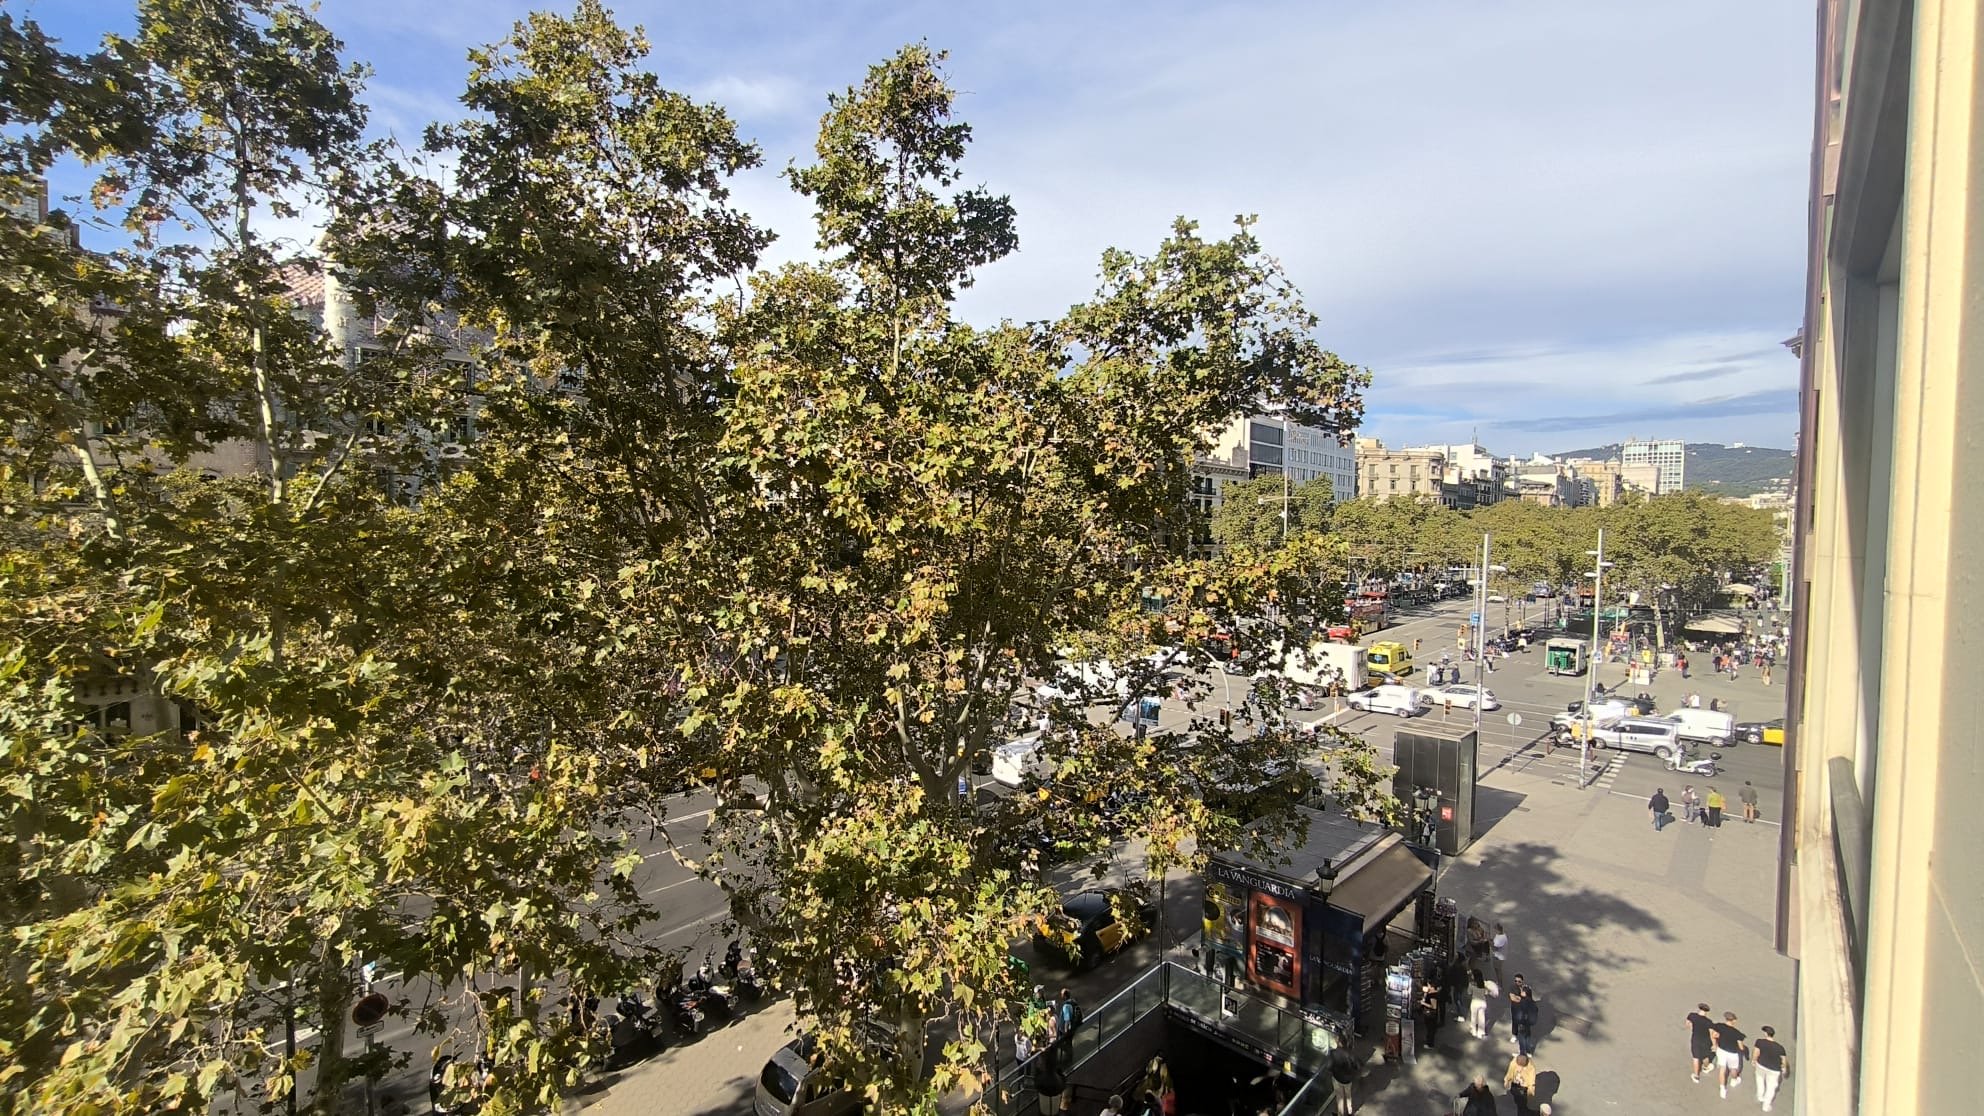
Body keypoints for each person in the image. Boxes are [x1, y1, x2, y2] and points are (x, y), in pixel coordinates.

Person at [1710, 1011, 1749, 1099]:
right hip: (1732, 1053)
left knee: (1722, 1069)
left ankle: (1722, 1089)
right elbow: (1741, 1047)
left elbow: (1713, 1035)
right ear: (1734, 1021)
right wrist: (1744, 1051)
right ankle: (1734, 1080)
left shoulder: (1719, 1026)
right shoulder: (1737, 1033)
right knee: (1733, 1069)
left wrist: (1715, 1044)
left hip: (1721, 1050)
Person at [1752, 1025, 1790, 1111]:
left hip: (1761, 1065)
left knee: (1760, 1081)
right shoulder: (1780, 1048)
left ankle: (1760, 1096)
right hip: (1774, 1070)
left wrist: (1754, 1060)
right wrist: (1784, 1069)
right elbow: (1783, 1061)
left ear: (1765, 1034)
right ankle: (1766, 1105)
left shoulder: (1759, 1042)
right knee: (1771, 1087)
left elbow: (1756, 1053)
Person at [1508, 975, 1538, 1055]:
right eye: (1516, 981)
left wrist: (1519, 997)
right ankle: (1527, 1051)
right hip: (1517, 1011)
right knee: (1518, 1025)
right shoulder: (1513, 987)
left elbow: (1517, 998)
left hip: (1524, 1016)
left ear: (1522, 981)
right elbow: (1513, 998)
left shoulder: (1527, 989)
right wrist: (1519, 998)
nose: (1517, 983)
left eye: (1519, 981)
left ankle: (1523, 1052)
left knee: (1524, 1034)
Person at [1686, 1003, 1716, 1082]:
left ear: (1699, 1009)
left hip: (1696, 1039)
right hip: (1706, 1041)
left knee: (1696, 1057)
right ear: (1707, 1012)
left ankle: (1696, 1076)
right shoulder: (1709, 1022)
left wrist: (1692, 1026)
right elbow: (1712, 1034)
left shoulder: (1692, 1016)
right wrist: (1714, 1044)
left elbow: (1687, 1024)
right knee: (1705, 1055)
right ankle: (1706, 1067)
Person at [1327, 1045, 1360, 1115]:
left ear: (1338, 1042)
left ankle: (1340, 1114)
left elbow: (1329, 1067)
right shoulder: (1350, 1054)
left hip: (1337, 1079)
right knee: (1348, 1095)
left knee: (1340, 1097)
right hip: (1348, 1080)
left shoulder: (1333, 1053)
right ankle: (1350, 1111)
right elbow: (1357, 1066)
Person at [1468, 970, 1498, 1039]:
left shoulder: (1471, 984)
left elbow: (1469, 992)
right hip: (1483, 1003)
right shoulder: (1484, 984)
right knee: (1481, 1017)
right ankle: (1480, 1033)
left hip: (1475, 1002)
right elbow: (1487, 993)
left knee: (1474, 1017)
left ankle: (1473, 1031)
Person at [1418, 979, 1444, 1049]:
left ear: (1432, 986)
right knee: (1430, 1029)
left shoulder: (1433, 995)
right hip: (1430, 1015)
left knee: (1430, 1029)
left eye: (1428, 985)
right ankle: (1428, 1041)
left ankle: (1430, 1044)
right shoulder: (1432, 992)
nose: (1428, 986)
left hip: (1431, 1015)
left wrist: (1423, 1003)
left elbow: (1433, 1006)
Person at [1490, 923, 1509, 992]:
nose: (1494, 931)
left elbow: (1495, 948)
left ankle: (1500, 985)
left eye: (1495, 929)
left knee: (1498, 970)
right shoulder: (1501, 935)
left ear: (1498, 930)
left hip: (1498, 957)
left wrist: (1490, 943)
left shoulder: (1501, 939)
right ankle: (1499, 982)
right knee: (1497, 969)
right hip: (1499, 955)